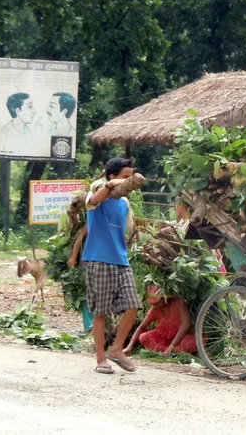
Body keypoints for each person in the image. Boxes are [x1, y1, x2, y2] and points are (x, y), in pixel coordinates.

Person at [82, 157, 142, 374]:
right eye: (126, 178)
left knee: (133, 304)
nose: (130, 182)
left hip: (121, 260)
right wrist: (110, 187)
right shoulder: (96, 194)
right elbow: (95, 201)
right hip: (99, 260)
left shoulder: (125, 203)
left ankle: (117, 348)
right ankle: (100, 358)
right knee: (101, 312)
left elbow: (127, 230)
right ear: (112, 176)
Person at [123, 285, 197, 357]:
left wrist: (172, 346)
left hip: (181, 338)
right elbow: (142, 327)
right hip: (164, 341)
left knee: (191, 342)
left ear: (165, 297)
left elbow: (186, 324)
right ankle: (169, 352)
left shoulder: (178, 302)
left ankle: (172, 350)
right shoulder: (155, 310)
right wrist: (129, 347)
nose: (155, 305)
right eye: (153, 304)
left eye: (157, 303)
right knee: (144, 337)